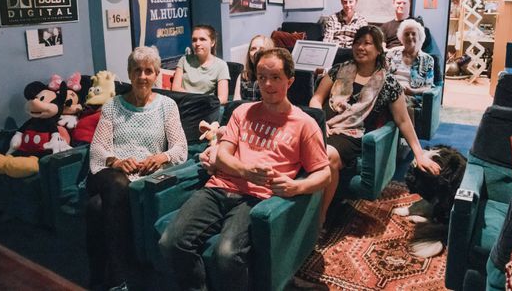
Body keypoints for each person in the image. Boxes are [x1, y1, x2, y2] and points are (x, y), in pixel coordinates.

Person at [159, 48, 331, 291]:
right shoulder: (242, 112)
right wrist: (246, 171)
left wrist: (297, 187)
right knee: (170, 242)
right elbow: (222, 155)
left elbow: (325, 174)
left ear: (289, 81)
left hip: (256, 199)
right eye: (262, 77)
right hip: (218, 189)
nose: (268, 84)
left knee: (227, 254)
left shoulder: (305, 124)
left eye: (275, 77)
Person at [309, 25, 440, 225]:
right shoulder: (338, 70)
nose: (360, 47)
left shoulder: (388, 83)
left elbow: (403, 121)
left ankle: (320, 217)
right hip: (322, 125)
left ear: (379, 49)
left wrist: (419, 154)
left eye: (367, 43)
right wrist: (318, 120)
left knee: (328, 155)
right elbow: (316, 98)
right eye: (357, 42)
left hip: (351, 135)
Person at [86, 46, 188, 290]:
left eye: (148, 71)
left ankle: (100, 276)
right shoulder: (113, 106)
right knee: (118, 182)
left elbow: (180, 147)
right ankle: (119, 279)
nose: (143, 76)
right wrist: (116, 162)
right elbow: (98, 147)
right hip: (109, 174)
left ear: (156, 75)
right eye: (137, 71)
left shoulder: (167, 106)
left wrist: (162, 157)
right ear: (129, 74)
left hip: (143, 177)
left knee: (95, 207)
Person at [386, 19, 435, 126]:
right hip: (390, 91)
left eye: (413, 34)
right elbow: (383, 75)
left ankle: (406, 139)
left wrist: (413, 91)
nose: (410, 37)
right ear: (401, 37)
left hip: (411, 95)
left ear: (420, 37)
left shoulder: (427, 59)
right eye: (406, 34)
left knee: (402, 101)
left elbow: (428, 86)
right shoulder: (392, 53)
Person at [172, 24, 230, 104]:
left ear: (212, 42)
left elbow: (223, 98)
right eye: (194, 40)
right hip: (184, 105)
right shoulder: (184, 60)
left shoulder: (221, 65)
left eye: (202, 39)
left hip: (205, 107)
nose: (197, 43)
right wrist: (197, 98)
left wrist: (203, 102)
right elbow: (175, 88)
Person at [233, 34, 274, 101]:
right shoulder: (243, 76)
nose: (257, 52)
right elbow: (236, 102)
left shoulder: (275, 76)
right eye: (253, 49)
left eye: (262, 49)